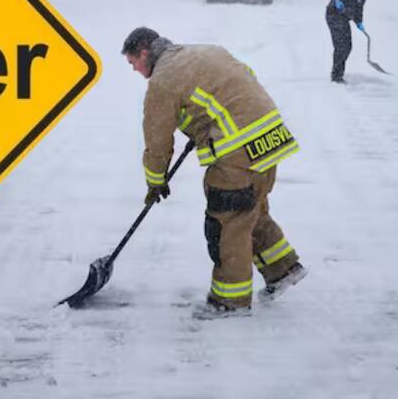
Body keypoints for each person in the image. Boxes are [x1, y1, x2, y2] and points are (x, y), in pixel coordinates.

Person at [121, 26, 306, 318]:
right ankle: (283, 269)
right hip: (271, 138)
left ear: (144, 52)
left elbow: (157, 140)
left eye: (133, 62)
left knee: (227, 222)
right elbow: (243, 82)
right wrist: (206, 124)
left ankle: (228, 302)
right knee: (250, 208)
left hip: (237, 150)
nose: (134, 70)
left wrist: (155, 180)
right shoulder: (207, 51)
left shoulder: (163, 80)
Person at [323, 0, 374, 83]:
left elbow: (359, 10)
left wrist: (359, 22)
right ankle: (336, 76)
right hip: (334, 16)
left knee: (348, 47)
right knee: (341, 46)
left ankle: (338, 72)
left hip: (344, 19)